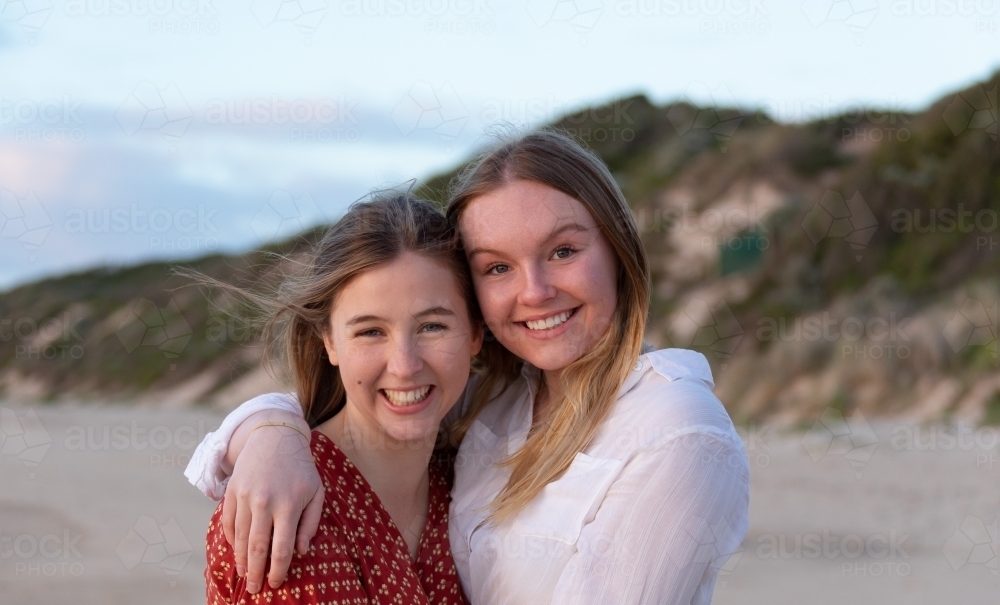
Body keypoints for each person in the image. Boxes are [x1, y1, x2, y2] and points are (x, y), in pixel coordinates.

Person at [187, 131, 750, 605]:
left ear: (617, 249)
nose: (536, 291)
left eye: (563, 251)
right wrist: (271, 432)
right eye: (499, 266)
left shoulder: (676, 429)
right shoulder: (488, 408)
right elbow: (372, 401)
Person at [200, 193, 480, 604]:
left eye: (432, 327)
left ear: (476, 332)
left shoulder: (462, 475)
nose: (404, 365)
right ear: (329, 341)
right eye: (370, 331)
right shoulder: (292, 511)